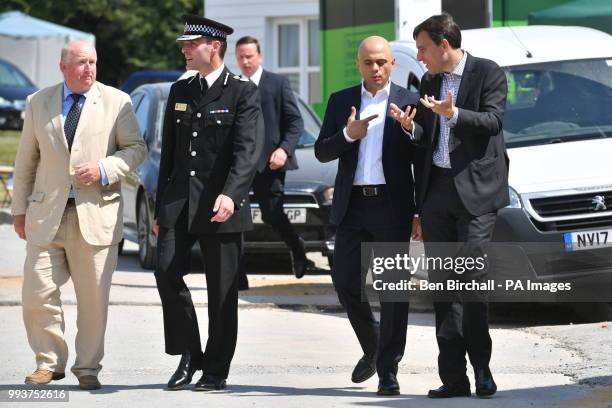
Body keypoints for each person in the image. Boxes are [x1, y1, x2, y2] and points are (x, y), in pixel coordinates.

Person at [11, 40, 146, 390]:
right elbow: (26, 161)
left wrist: (104, 168)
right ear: (63, 67)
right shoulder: (37, 102)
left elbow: (136, 149)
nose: (89, 68)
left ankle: (88, 368)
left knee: (93, 302)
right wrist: (20, 210)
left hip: (96, 216)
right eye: (81, 63)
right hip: (46, 216)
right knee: (37, 295)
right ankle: (48, 362)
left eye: (93, 62)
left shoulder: (118, 101)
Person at [392, 13, 509, 399]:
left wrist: (453, 114)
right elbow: (429, 139)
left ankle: (482, 370)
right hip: (437, 194)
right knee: (443, 288)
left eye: (423, 48)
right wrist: (412, 128)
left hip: (477, 197)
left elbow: (492, 122)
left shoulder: (487, 72)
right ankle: (453, 378)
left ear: (444, 45)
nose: (420, 56)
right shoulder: (429, 80)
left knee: (470, 283)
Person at [153, 15, 262, 392]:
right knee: (166, 271)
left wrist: (231, 194)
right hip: (179, 204)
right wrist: (158, 211)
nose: (184, 49)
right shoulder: (180, 91)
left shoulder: (242, 92)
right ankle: (189, 354)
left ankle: (215, 370)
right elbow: (169, 154)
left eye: (190, 43)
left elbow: (247, 153)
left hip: (221, 206)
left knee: (221, 292)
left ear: (213, 47)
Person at [314, 36, 420, 396]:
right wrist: (348, 134)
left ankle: (388, 370)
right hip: (352, 206)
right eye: (368, 63)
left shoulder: (409, 101)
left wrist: (409, 128)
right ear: (359, 65)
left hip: (391, 207)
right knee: (345, 283)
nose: (376, 69)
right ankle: (373, 345)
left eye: (382, 62)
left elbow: (422, 153)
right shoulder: (341, 100)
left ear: (392, 63)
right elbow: (322, 151)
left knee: (393, 292)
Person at [234, 35, 313, 288]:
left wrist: (284, 150)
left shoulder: (277, 84)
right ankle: (238, 275)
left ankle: (297, 248)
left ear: (259, 57)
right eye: (240, 57)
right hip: (240, 165)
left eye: (249, 56)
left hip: (270, 163)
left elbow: (295, 122)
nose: (245, 62)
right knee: (235, 217)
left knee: (271, 214)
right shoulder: (233, 85)